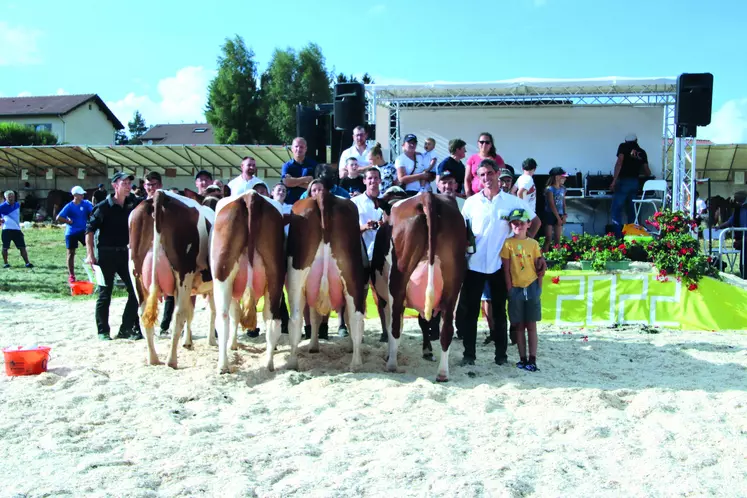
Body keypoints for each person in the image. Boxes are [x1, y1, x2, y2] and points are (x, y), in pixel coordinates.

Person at [455, 159, 543, 366]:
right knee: (470, 312)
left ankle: (501, 356)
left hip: (499, 266)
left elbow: (535, 221)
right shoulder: (471, 203)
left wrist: (525, 245)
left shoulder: (511, 202)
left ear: (496, 174)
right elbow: (462, 233)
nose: (486, 178)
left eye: (489, 173)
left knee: (500, 313)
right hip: (473, 265)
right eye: (482, 175)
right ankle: (469, 355)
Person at [85, 171, 143, 341]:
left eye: (129, 183)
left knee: (135, 292)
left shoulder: (134, 203)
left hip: (126, 255)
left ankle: (126, 328)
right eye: (124, 183)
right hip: (105, 254)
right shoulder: (103, 206)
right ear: (115, 185)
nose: (128, 186)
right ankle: (103, 331)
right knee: (105, 293)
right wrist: (90, 255)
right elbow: (89, 231)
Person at [500, 208, 543, 372]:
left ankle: (532, 359)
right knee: (518, 325)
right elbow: (506, 269)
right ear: (511, 225)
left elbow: (539, 266)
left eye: (522, 223)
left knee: (531, 325)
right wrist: (510, 288)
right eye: (515, 223)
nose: (519, 226)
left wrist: (539, 286)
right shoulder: (508, 244)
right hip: (516, 289)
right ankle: (522, 358)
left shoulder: (533, 244)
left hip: (531, 287)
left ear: (528, 224)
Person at [610, 133, 652, 237]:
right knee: (632, 210)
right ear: (636, 141)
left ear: (625, 141)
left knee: (616, 209)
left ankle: (618, 236)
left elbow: (619, 162)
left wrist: (614, 181)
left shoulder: (623, 147)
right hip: (635, 182)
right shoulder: (642, 152)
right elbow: (647, 172)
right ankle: (631, 235)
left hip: (623, 181)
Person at [56, 186, 94, 282]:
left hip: (83, 231)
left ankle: (94, 270)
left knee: (91, 249)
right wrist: (68, 221)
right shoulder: (69, 206)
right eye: (81, 194)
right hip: (71, 232)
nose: (82, 195)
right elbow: (58, 217)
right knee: (71, 253)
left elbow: (93, 211)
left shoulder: (86, 204)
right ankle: (72, 275)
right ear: (75, 195)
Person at [465, 133, 505, 197]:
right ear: (478, 143)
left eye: (487, 142)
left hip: (493, 195)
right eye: (482, 142)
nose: (484, 144)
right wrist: (468, 194)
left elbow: (503, 177)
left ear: (491, 144)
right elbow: (467, 179)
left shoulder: (497, 158)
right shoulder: (472, 158)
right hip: (475, 196)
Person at [717, 191, 747, 279]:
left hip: (744, 240)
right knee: (744, 264)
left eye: (736, 198)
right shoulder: (738, 209)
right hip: (744, 242)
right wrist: (719, 227)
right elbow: (730, 222)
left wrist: (742, 241)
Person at [1, 190, 33, 269]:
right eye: (9, 197)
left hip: (17, 230)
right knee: (5, 247)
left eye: (12, 197)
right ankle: (5, 263)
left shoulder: (17, 205)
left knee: (22, 247)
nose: (11, 198)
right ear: (5, 198)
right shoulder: (2, 207)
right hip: (6, 230)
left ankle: (27, 263)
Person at [282, 137, 317, 204]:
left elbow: (314, 186)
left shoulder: (314, 165)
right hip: (290, 204)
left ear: (306, 149)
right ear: (292, 148)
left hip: (308, 204)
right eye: (296, 146)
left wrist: (293, 182)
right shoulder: (286, 166)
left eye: (301, 147)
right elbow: (286, 182)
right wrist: (305, 179)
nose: (298, 149)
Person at [542, 167, 568, 252]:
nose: (565, 178)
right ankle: (544, 258)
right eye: (563, 176)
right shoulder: (549, 189)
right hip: (550, 214)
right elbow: (551, 204)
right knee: (548, 238)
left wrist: (564, 215)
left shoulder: (563, 189)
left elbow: (563, 202)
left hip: (559, 214)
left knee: (557, 238)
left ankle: (557, 257)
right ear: (557, 177)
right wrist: (557, 218)